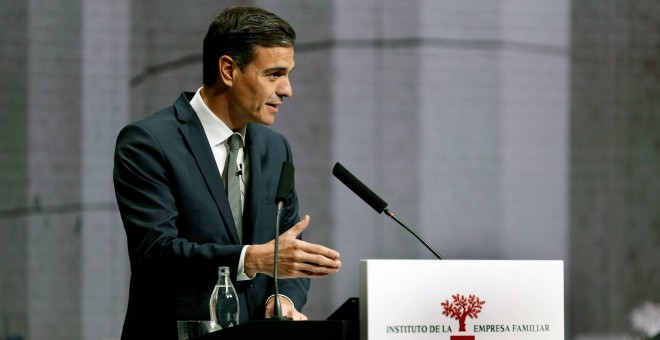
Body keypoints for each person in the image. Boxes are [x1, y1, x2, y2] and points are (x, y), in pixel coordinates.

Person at [113, 6, 342, 339]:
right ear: (228, 69)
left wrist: (284, 298)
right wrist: (250, 258)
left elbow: (285, 253)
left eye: (289, 74)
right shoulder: (148, 142)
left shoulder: (275, 148)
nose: (287, 89)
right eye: (274, 74)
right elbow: (156, 252)